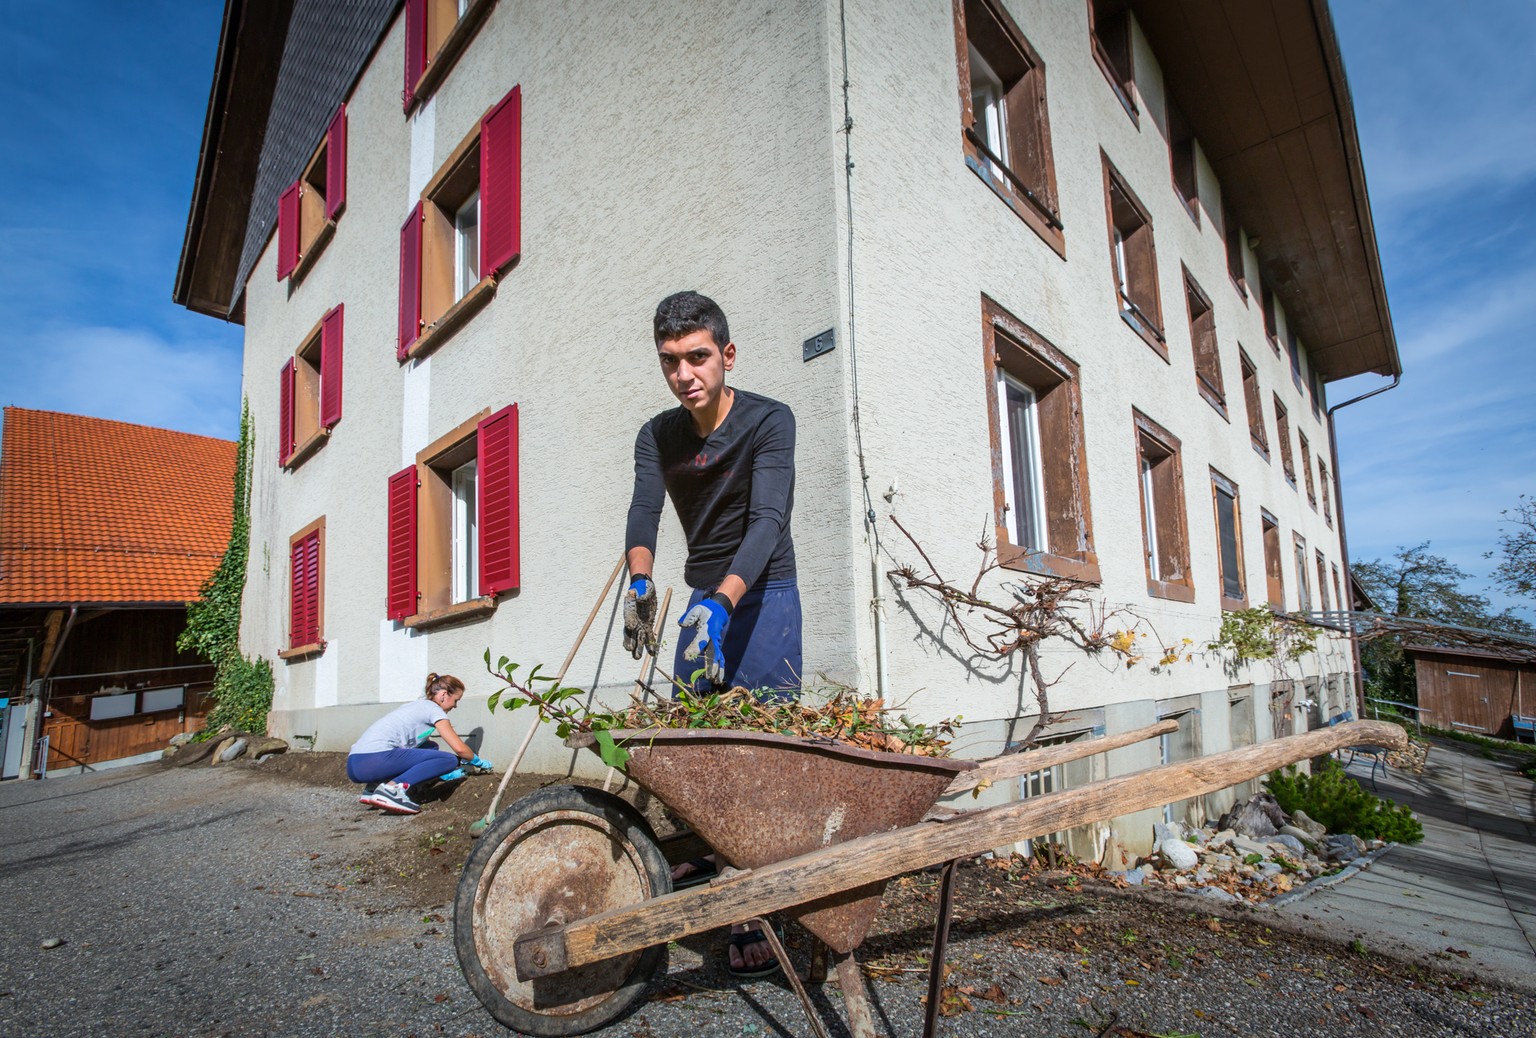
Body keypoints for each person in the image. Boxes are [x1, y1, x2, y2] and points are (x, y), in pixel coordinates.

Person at [622, 290, 800, 978]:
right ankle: (710, 844)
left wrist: (725, 603)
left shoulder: (769, 421)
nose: (684, 374)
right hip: (703, 593)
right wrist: (640, 587)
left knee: (760, 749)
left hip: (763, 591)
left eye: (698, 357)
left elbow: (767, 520)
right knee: (696, 739)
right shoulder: (657, 434)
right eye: (670, 362)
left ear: (726, 355)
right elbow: (644, 513)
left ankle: (754, 903)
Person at [347, 673, 493, 815]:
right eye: (456, 700)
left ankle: (373, 788)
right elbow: (460, 749)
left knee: (430, 748)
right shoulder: (434, 710)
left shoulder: (415, 706)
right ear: (443, 695)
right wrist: (477, 761)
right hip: (374, 760)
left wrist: (442, 774)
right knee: (448, 759)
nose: (455, 706)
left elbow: (418, 752)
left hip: (355, 764)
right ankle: (392, 789)